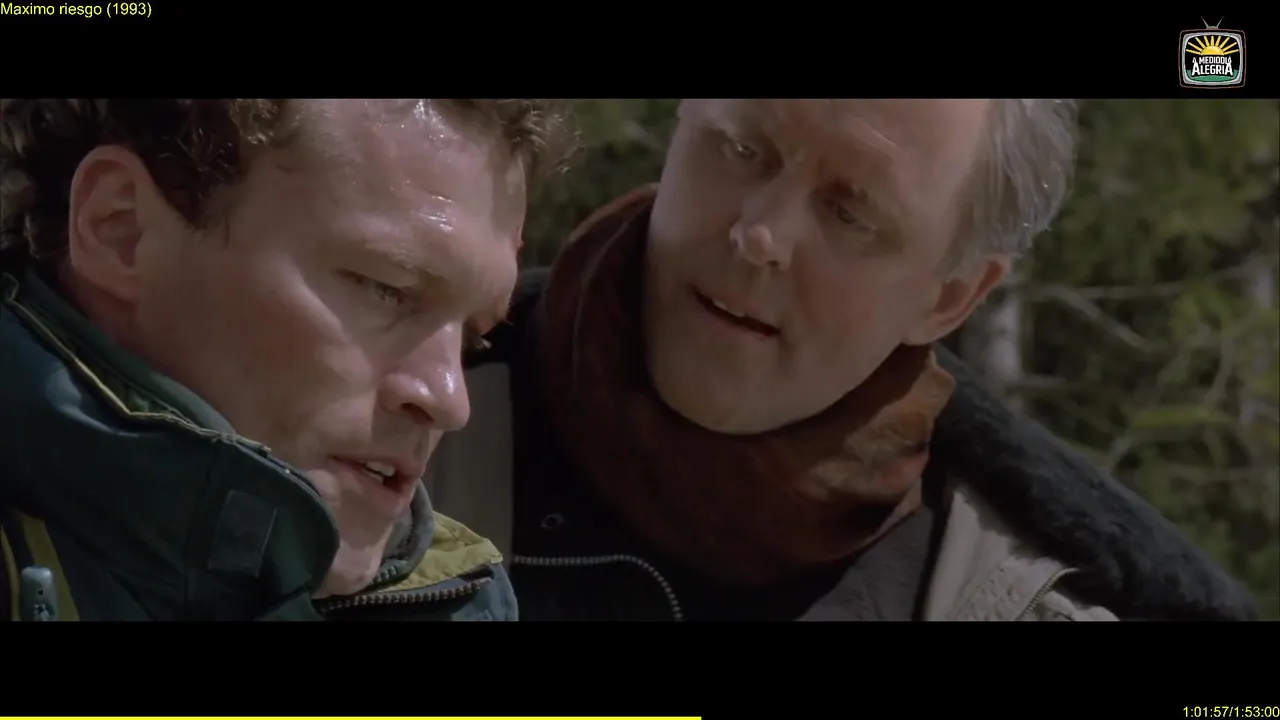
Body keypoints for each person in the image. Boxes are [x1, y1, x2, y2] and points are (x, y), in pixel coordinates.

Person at [425, 99, 1260, 621]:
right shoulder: (394, 449)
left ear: (949, 298)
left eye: (850, 213)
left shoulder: (1000, 605)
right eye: (743, 149)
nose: (761, 235)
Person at [0, 98, 574, 621]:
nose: (450, 399)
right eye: (385, 288)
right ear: (120, 229)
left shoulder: (461, 603)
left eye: (473, 336)